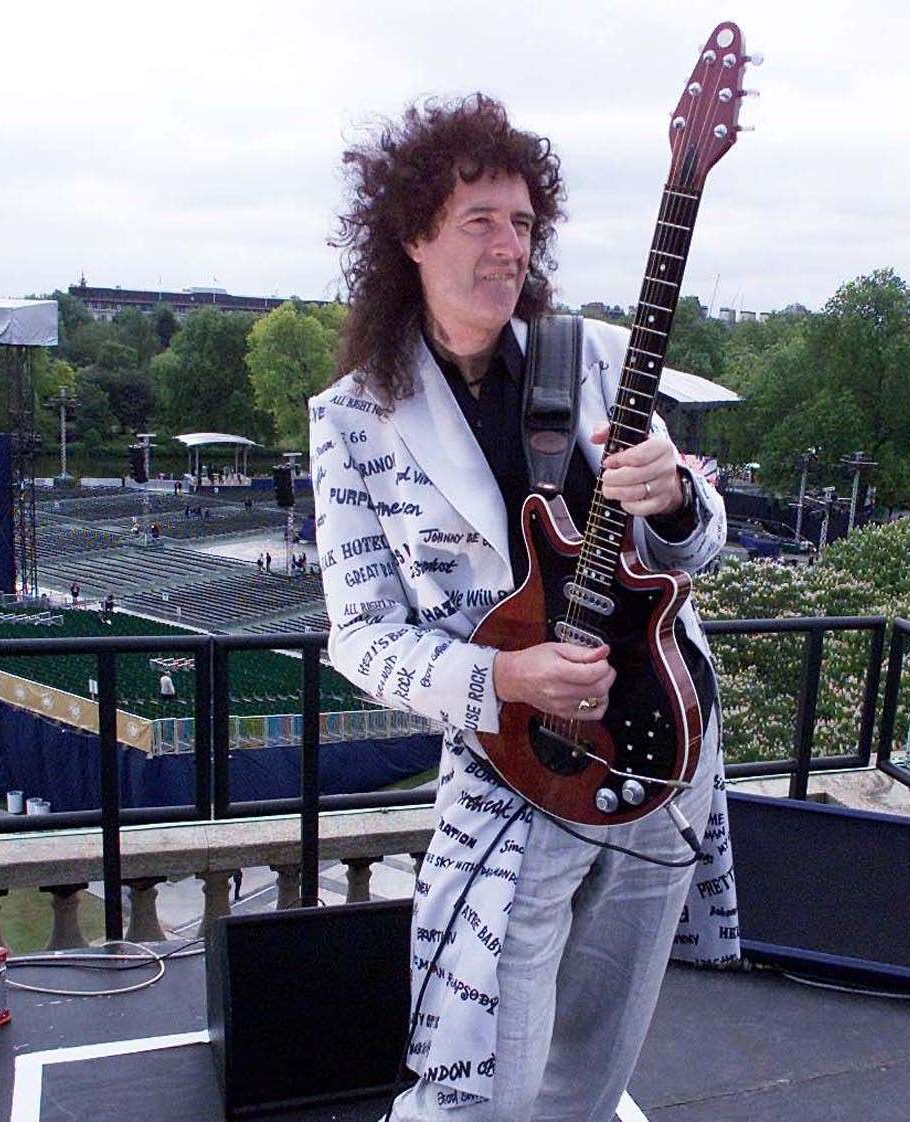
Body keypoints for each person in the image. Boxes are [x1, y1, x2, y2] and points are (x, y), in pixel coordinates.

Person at [309, 94, 735, 1122]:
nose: (508, 248)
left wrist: (675, 495)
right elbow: (359, 635)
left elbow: (696, 544)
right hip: (515, 761)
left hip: (663, 742)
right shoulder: (353, 420)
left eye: (524, 224)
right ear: (411, 237)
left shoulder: (588, 356)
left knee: (604, 1036)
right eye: (479, 221)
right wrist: (503, 677)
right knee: (479, 1062)